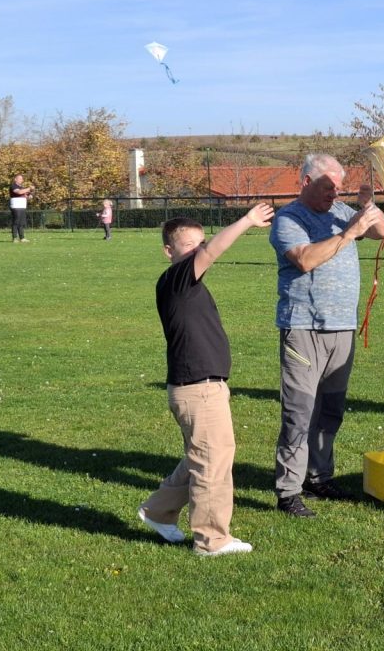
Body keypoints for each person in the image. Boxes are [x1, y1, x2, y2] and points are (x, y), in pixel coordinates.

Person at [138, 203, 275, 556]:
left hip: (203, 385)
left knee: (207, 456)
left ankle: (157, 511)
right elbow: (213, 251)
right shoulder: (178, 277)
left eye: (201, 242)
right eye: (189, 245)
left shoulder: (187, 283)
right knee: (211, 461)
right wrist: (246, 221)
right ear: (169, 251)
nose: (198, 249)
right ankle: (212, 540)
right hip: (196, 387)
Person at [270, 153, 384, 518]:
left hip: (342, 328)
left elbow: (381, 231)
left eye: (339, 188)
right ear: (305, 182)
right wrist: (348, 232)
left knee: (331, 409)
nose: (334, 195)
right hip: (303, 327)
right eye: (327, 187)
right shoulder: (289, 218)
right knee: (299, 412)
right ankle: (288, 491)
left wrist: (367, 205)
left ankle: (318, 476)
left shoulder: (339, 211)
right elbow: (304, 259)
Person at [9, 174, 34, 243]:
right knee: (16, 222)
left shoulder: (22, 187)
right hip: (16, 206)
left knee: (21, 223)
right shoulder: (13, 186)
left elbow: (28, 197)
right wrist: (29, 188)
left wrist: (31, 193)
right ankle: (14, 238)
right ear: (15, 179)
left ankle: (22, 238)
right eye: (19, 179)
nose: (21, 180)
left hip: (22, 206)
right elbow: (19, 192)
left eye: (22, 179)